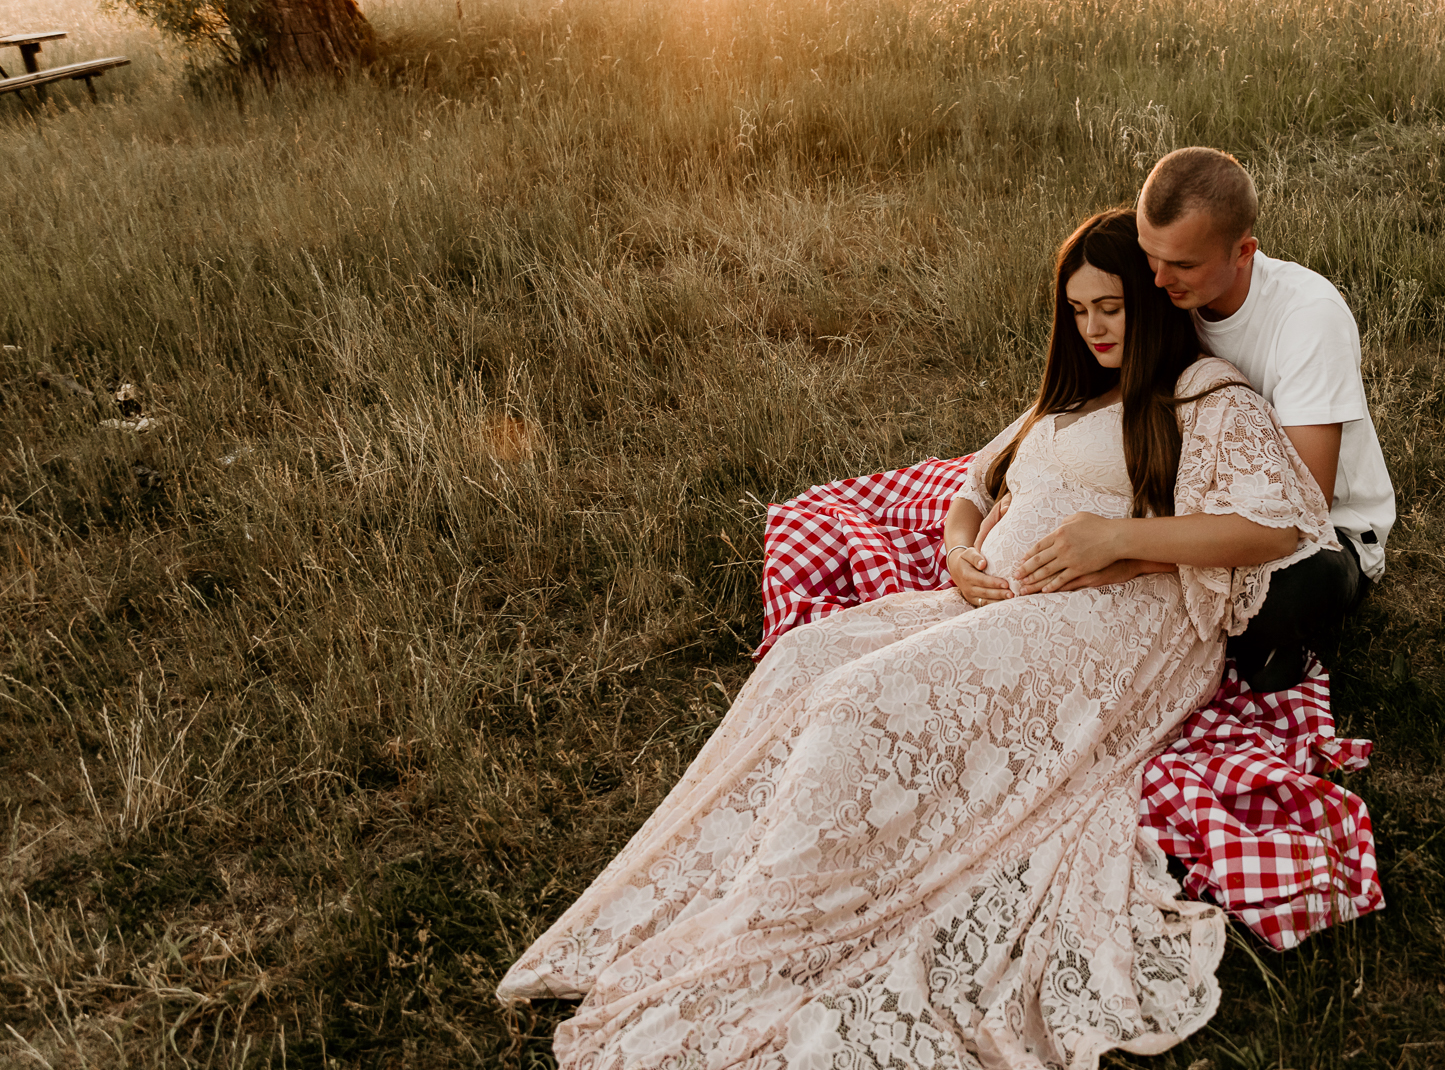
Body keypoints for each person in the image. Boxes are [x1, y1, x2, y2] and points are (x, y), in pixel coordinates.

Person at [499, 209, 1335, 1070]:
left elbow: (1277, 523)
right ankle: (737, 886)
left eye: (1112, 307)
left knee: (860, 701)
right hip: (988, 598)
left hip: (1115, 619)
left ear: (1150, 303)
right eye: (1079, 309)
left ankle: (787, 918)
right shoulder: (1069, 393)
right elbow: (973, 487)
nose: (1094, 327)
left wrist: (1118, 539)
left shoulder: (1203, 394)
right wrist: (961, 552)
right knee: (807, 658)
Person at [989, 148, 1395, 693]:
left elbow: (1303, 511)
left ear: (1243, 252)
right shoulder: (1169, 298)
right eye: (1150, 256)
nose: (1158, 280)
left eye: (1181, 264)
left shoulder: (1307, 318)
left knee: (1279, 607)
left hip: (1323, 531)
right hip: (1200, 502)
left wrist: (1129, 549)